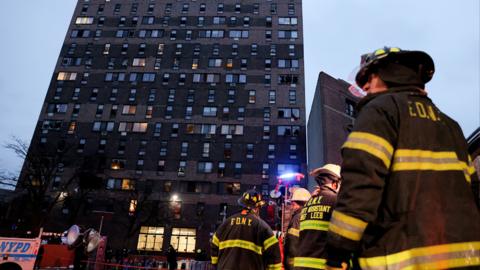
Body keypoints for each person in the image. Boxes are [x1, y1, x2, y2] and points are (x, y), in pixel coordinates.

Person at [325, 47, 480, 270]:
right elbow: (473, 191)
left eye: (369, 78)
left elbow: (361, 185)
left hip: (400, 258)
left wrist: (337, 249)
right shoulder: (450, 125)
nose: (365, 87)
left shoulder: (379, 112)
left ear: (388, 73)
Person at [211, 189, 282, 270]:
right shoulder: (262, 227)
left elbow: (214, 245)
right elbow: (274, 256)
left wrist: (216, 265)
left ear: (242, 205)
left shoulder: (226, 223)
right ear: (256, 208)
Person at [293, 164, 342, 270]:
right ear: (335, 184)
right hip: (321, 266)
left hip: (301, 265)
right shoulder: (335, 201)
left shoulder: (309, 202)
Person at [284, 188, 311, 270]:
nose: (292, 207)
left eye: (292, 204)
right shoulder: (309, 215)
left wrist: (290, 265)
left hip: (295, 264)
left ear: (296, 203)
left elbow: (293, 243)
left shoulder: (297, 218)